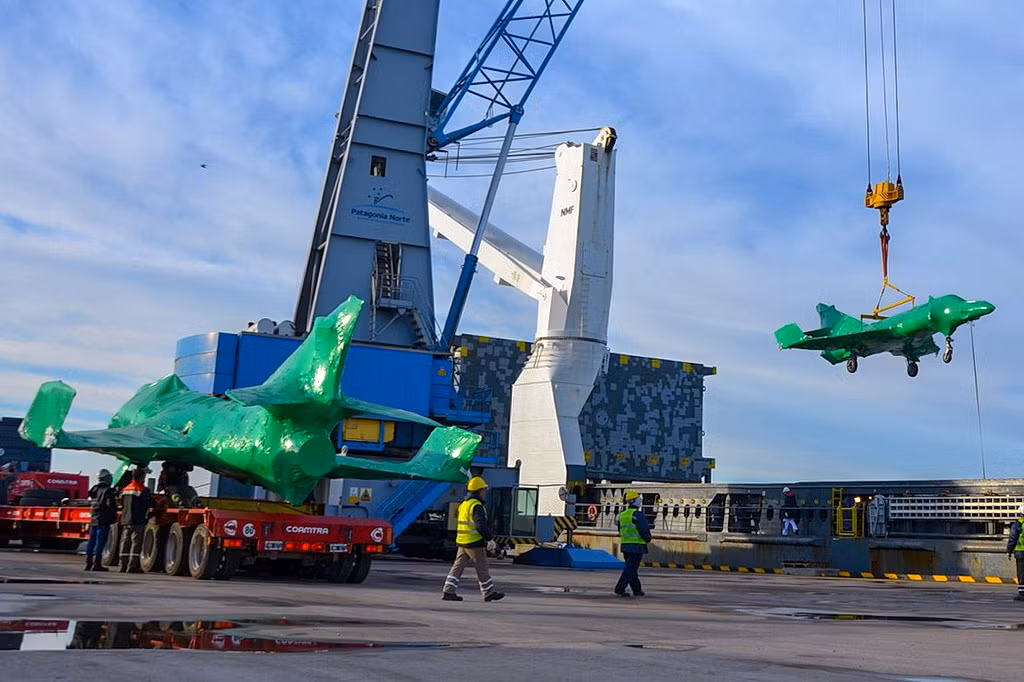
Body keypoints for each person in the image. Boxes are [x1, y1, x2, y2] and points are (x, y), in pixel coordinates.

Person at [441, 476, 505, 602]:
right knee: (482, 567)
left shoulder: (464, 505)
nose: (484, 492)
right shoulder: (477, 506)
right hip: (474, 542)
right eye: (483, 490)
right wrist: (489, 539)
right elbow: (480, 524)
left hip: (462, 541)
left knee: (457, 566)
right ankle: (488, 592)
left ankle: (448, 591)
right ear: (479, 490)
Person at [615, 490, 652, 597]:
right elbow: (644, 530)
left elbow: (620, 530)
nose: (640, 500)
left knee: (632, 569)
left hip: (625, 545)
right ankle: (619, 588)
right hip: (637, 546)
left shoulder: (621, 515)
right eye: (638, 499)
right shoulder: (638, 515)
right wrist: (647, 539)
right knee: (630, 569)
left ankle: (637, 590)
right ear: (634, 501)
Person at [119, 466, 155, 573]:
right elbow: (149, 503)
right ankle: (132, 566)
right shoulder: (142, 489)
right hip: (138, 520)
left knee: (125, 542)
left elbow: (122, 503)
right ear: (142, 477)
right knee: (136, 543)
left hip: (126, 520)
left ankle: (122, 565)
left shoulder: (125, 489)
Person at [84, 468, 118, 571]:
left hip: (94, 518)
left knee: (91, 541)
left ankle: (88, 563)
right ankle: (97, 564)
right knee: (100, 542)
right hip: (103, 519)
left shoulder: (94, 489)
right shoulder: (107, 490)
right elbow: (110, 505)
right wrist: (114, 512)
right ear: (106, 478)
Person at [1006, 503, 1024, 601]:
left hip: (1021, 553)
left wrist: (1009, 550)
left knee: (1021, 574)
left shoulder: (1017, 525)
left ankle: (1022, 594)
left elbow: (1013, 538)